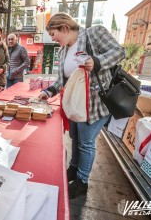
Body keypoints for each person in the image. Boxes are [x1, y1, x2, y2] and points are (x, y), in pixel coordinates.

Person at [38, 13, 126, 199]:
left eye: (53, 34)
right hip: (75, 105)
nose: (53, 39)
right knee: (76, 138)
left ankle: (82, 182)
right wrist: (48, 92)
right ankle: (74, 169)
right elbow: (61, 80)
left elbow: (119, 52)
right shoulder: (62, 52)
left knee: (85, 143)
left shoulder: (94, 34)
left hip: (95, 104)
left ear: (64, 28)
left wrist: (96, 62)